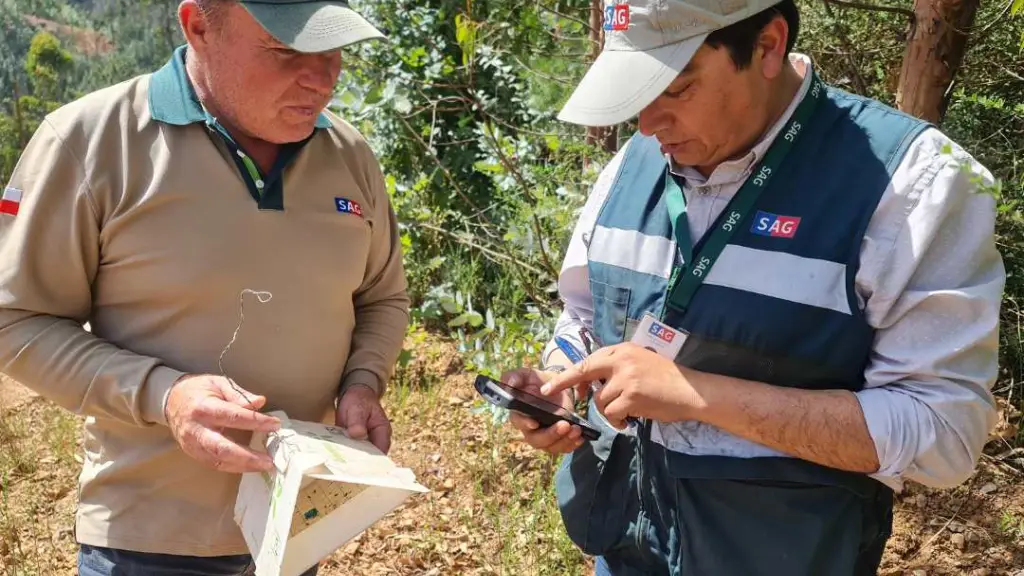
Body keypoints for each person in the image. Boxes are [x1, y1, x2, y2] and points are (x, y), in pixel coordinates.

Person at [502, 0, 1005, 574]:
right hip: (623, 551)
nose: (646, 123)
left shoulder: (913, 184)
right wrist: (560, 379)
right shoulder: (634, 163)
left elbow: (944, 431)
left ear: (767, 45)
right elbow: (584, 316)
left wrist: (695, 395)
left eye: (676, 88)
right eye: (637, 92)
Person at [0, 1, 409, 575]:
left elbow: (382, 296)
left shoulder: (350, 154)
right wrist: (165, 395)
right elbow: (16, 321)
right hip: (149, 543)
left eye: (332, 50)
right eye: (285, 50)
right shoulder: (90, 141)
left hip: (294, 530)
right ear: (198, 26)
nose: (321, 79)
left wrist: (363, 381)